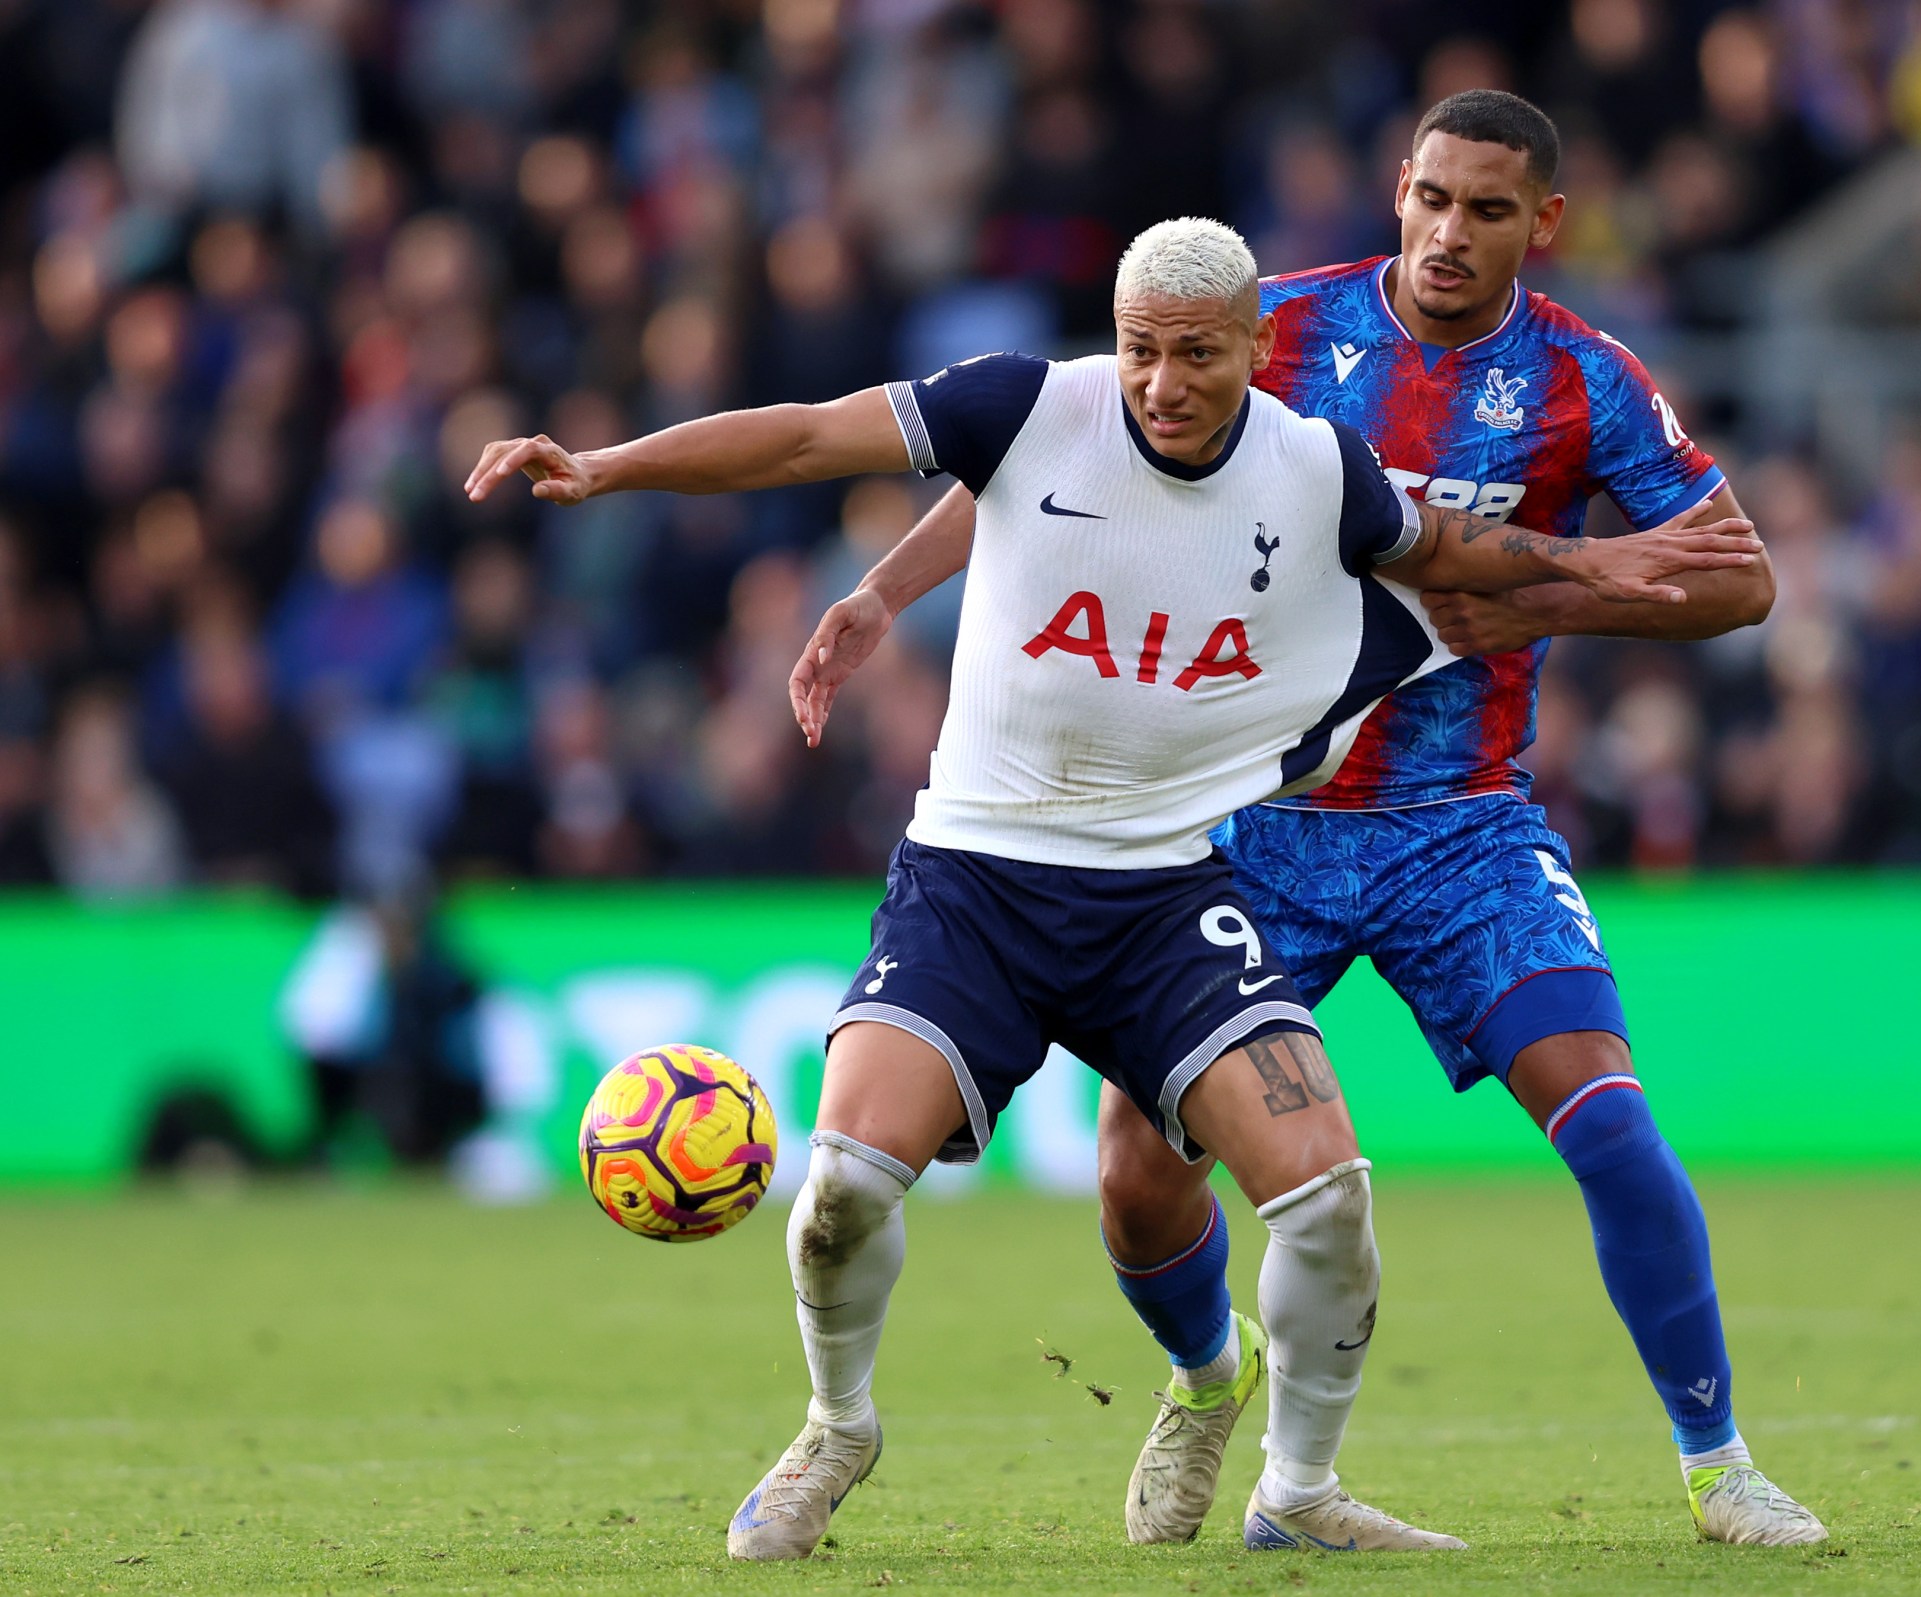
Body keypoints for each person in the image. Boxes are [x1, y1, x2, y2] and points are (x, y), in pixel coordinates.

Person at [466, 216, 1760, 1560]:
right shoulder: (1027, 404)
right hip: (973, 881)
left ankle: (1298, 1488)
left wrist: (1600, 566)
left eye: (1196, 354)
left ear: (1259, 352)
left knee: (1327, 1196)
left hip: (1162, 896)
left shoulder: (1315, 470)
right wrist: (608, 469)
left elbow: (1453, 555)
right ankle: (838, 1424)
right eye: (1142, 349)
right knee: (845, 1183)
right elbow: (801, 437)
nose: (1162, 381)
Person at [792, 90, 1827, 1548]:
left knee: (1605, 1111)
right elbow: (1041, 455)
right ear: (1398, 191)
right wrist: (887, 593)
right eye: (1432, 199)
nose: (1450, 233)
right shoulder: (1268, 326)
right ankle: (1204, 1384)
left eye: (1487, 210)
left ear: (1547, 225)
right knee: (1139, 1187)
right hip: (1249, 818)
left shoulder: (1589, 383)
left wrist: (1536, 592)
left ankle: (1723, 1468)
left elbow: (1737, 579)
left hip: (1459, 820)